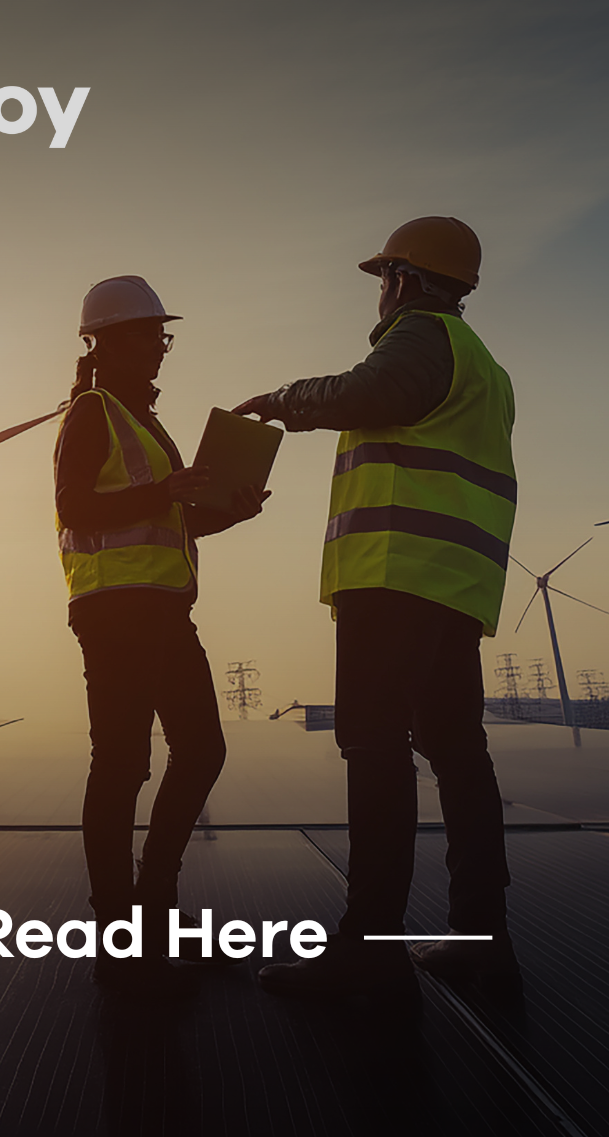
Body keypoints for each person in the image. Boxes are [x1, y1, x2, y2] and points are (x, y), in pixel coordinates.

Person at [234, 217, 519, 1007]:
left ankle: (368, 949)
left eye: (384, 275)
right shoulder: (485, 367)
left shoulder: (421, 338)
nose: (381, 291)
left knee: (375, 745)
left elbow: (368, 392)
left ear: (407, 276)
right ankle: (481, 940)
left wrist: (287, 401)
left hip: (396, 577)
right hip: (454, 584)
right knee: (457, 752)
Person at [55, 274, 267, 995]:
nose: (160, 348)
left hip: (160, 607)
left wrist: (228, 513)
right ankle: (126, 935)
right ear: (109, 341)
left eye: (162, 336)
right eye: (150, 335)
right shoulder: (90, 412)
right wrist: (164, 493)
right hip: (116, 611)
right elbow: (75, 508)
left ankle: (149, 918)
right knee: (122, 766)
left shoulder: (143, 422)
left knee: (194, 751)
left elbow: (165, 520)